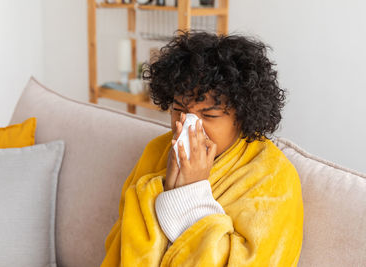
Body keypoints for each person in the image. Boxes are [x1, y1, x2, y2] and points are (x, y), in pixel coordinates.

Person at [101, 29, 304, 266]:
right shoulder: (157, 150)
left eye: (208, 115)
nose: (187, 124)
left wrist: (190, 193)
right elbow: (121, 241)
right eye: (179, 110)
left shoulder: (273, 176)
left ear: (242, 117)